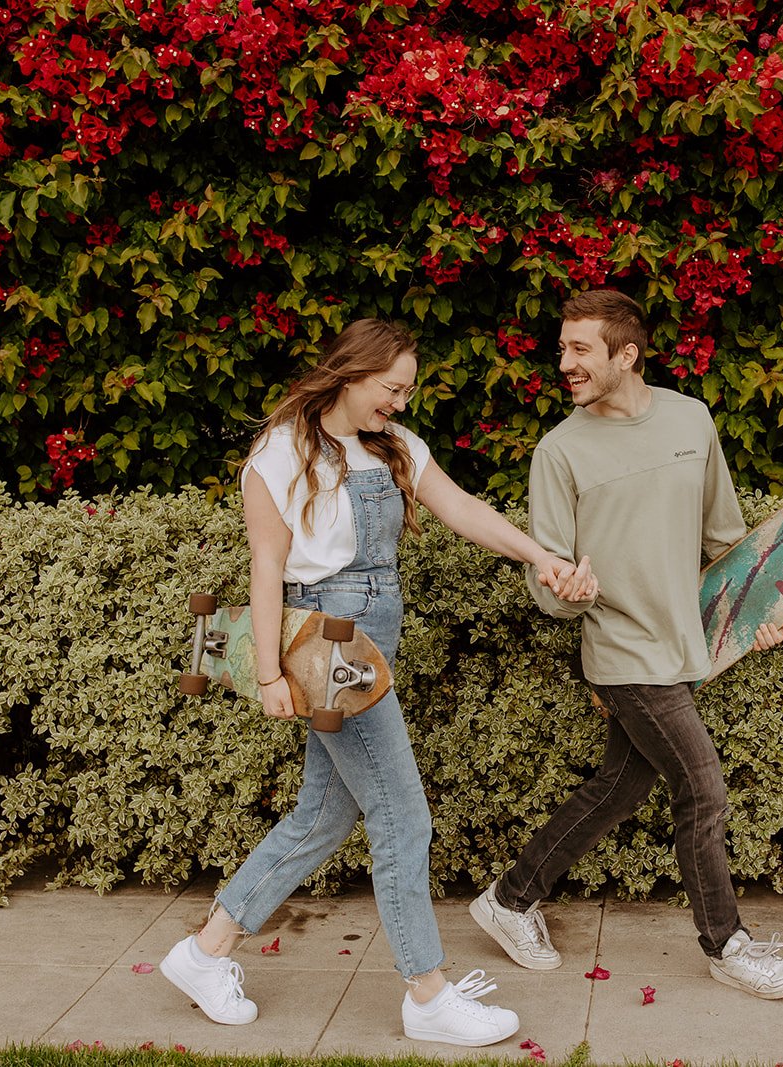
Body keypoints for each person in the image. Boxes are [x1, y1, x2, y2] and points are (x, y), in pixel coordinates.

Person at [161, 318, 596, 1046]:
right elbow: (266, 566)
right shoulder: (278, 454)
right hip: (328, 642)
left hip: (373, 635)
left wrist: (540, 557)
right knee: (403, 816)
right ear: (350, 373)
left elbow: (461, 509)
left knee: (323, 816)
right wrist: (268, 670)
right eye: (391, 389)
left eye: (406, 391)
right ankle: (427, 994)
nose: (399, 403)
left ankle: (204, 953)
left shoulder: (393, 447)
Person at [468, 289, 783, 1000]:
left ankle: (510, 897)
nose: (564, 362)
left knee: (620, 788)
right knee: (702, 789)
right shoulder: (559, 451)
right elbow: (547, 571)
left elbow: (724, 536)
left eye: (580, 348)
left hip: (685, 646)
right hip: (623, 650)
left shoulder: (691, 419)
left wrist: (764, 605)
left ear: (628, 353)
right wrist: (566, 590)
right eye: (562, 347)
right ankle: (728, 944)